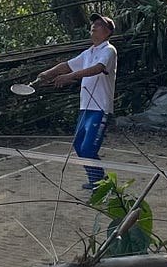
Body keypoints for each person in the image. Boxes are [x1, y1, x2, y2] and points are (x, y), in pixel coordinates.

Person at [34, 13, 118, 190]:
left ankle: (102, 184)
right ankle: (97, 181)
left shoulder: (109, 51)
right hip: (85, 108)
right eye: (93, 24)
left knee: (88, 148)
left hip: (100, 108)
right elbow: (67, 64)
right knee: (79, 146)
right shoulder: (88, 52)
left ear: (108, 32)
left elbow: (97, 69)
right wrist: (48, 73)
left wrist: (69, 77)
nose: (94, 26)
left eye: (99, 24)